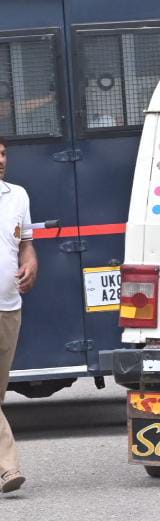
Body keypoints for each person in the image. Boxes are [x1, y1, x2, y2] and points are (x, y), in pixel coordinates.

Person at [0, 137, 34, 494]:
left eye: (3, 153)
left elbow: (25, 243)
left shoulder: (18, 196)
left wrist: (31, 261)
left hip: (9, 308)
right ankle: (8, 468)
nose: (0, 160)